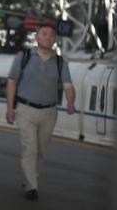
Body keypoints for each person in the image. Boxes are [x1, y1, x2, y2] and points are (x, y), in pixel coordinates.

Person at [5, 25, 76, 200]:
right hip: (25, 109)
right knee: (30, 147)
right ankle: (31, 187)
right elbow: (11, 82)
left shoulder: (60, 63)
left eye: (52, 35)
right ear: (37, 38)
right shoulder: (24, 57)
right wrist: (9, 108)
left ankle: (30, 178)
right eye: (44, 34)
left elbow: (68, 86)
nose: (48, 37)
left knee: (41, 150)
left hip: (49, 112)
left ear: (55, 40)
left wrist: (71, 102)